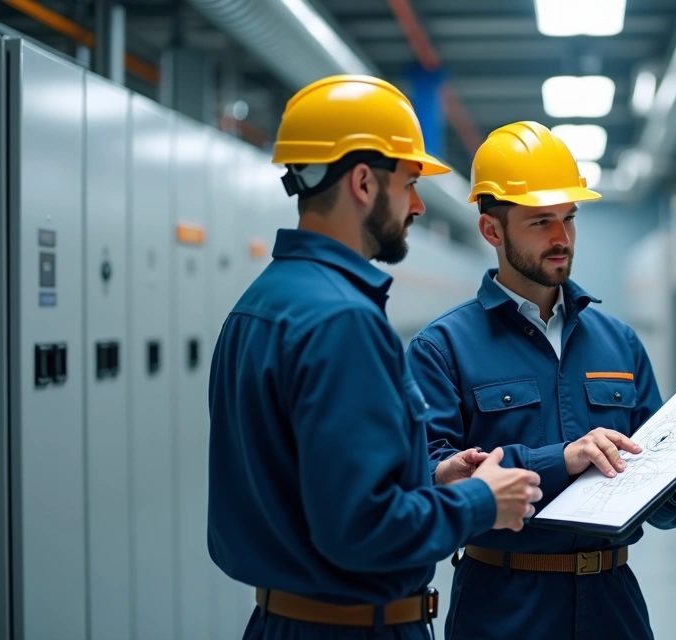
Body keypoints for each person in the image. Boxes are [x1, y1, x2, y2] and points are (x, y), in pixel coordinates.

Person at [206, 75, 543, 640]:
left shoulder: (260, 303)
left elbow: (310, 489)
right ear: (363, 182)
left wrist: (430, 479)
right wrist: (480, 502)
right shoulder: (343, 320)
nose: (418, 205)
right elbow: (361, 529)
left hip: (282, 621)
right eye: (409, 183)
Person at [404, 121, 676, 639]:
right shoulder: (443, 348)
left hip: (613, 605)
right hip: (503, 607)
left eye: (569, 218)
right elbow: (426, 478)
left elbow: (661, 508)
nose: (561, 239)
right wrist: (561, 459)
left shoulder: (620, 342)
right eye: (540, 222)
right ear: (492, 231)